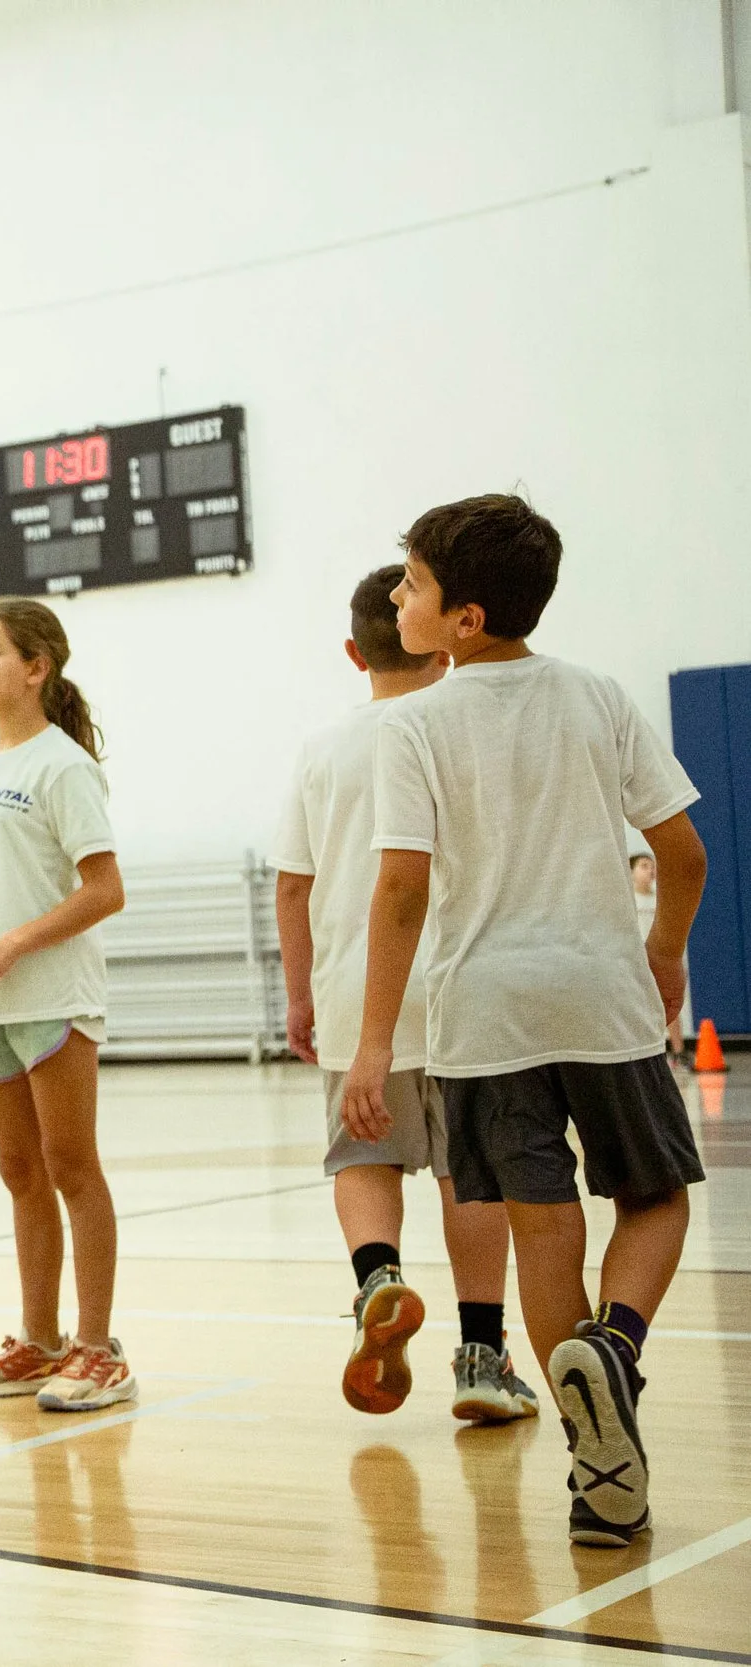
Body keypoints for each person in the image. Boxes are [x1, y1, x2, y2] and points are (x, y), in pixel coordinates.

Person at [342, 494, 706, 1548]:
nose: (396, 595)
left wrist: (374, 1041)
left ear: (462, 618)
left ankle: (600, 1471)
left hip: (480, 1020)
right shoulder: (594, 696)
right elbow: (680, 854)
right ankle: (619, 1350)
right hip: (600, 995)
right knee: (654, 1198)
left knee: (544, 1231)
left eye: (408, 581)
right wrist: (666, 948)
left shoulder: (407, 723)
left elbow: (401, 889)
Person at [272, 567, 535, 1423]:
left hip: (356, 990)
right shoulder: (458, 730)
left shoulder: (321, 748)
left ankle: (378, 1279)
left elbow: (290, 886)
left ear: (354, 651)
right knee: (472, 1175)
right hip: (460, 984)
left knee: (363, 1158)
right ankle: (483, 1357)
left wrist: (301, 993)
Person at [0, 600, 134, 1412]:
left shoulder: (63, 765)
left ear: (36, 667)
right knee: (20, 1172)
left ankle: (97, 1348)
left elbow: (106, 889)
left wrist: (13, 946)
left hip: (52, 996)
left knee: (72, 1164)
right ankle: (39, 1343)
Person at [630, 854, 685, 1057]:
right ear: (631, 872)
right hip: (636, 961)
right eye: (644, 866)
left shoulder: (660, 900)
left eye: (653, 866)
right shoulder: (628, 900)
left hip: (659, 960)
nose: (650, 870)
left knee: (668, 1007)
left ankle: (678, 1053)